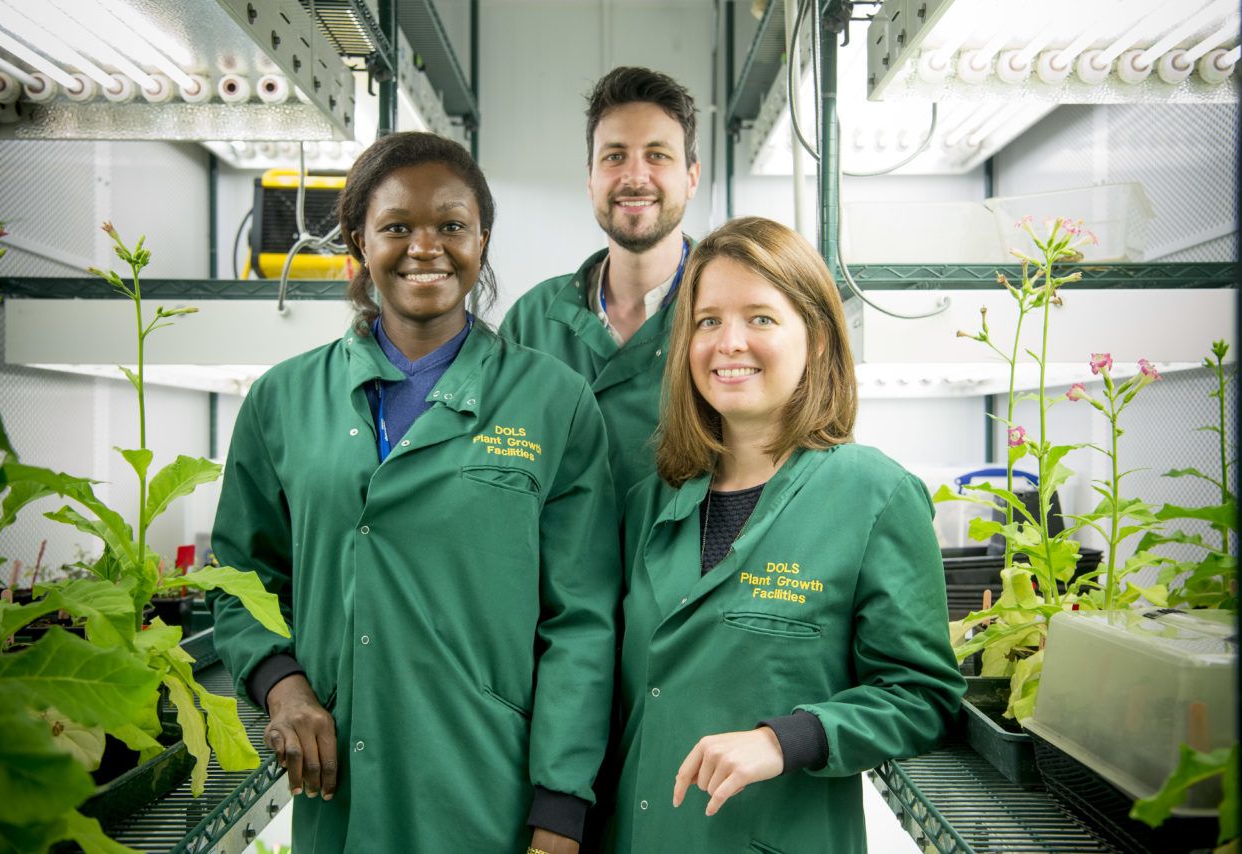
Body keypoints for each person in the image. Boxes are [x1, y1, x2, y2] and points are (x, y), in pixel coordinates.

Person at [209, 132, 619, 854]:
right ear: (360, 240)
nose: (425, 247)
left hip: (488, 780)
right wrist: (283, 684)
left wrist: (560, 803)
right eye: (397, 226)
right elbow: (240, 578)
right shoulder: (283, 399)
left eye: (451, 226)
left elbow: (579, 621)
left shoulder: (553, 402)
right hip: (340, 784)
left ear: (481, 241)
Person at [607, 217, 965, 853]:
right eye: (708, 320)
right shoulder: (649, 502)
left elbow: (923, 696)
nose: (728, 343)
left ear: (818, 338)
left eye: (761, 319)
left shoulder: (873, 495)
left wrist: (785, 739)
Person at [501, 66, 701, 506]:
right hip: (558, 575)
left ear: (691, 176)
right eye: (614, 156)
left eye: (657, 155)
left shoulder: (729, 310)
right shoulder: (532, 323)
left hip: (691, 574)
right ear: (589, 177)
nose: (634, 177)